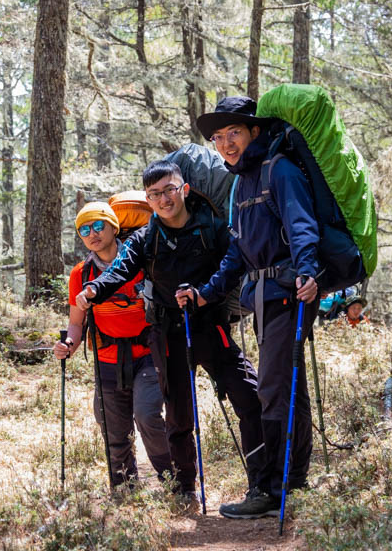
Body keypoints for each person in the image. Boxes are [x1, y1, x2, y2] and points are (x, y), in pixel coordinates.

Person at [75, 160, 267, 502]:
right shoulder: (145, 238)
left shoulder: (214, 229)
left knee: (249, 398)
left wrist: (204, 294)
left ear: (184, 190)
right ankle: (184, 489)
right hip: (168, 334)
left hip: (210, 327)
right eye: (155, 194)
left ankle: (262, 484)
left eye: (169, 190)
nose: (164, 199)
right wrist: (95, 289)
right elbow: (120, 269)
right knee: (178, 416)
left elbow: (232, 265)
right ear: (147, 200)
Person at [177, 96, 320, 519]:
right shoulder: (241, 184)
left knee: (274, 389)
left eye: (233, 133)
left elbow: (301, 225)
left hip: (290, 292)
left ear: (254, 131)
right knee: (286, 386)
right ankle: (292, 483)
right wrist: (207, 292)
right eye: (219, 138)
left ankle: (273, 490)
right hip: (262, 298)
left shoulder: (280, 172)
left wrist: (308, 272)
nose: (226, 144)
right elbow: (237, 252)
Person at [54, 202, 172, 488]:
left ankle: (172, 478)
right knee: (111, 425)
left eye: (98, 226)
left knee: (147, 416)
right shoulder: (81, 274)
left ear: (113, 227)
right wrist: (69, 343)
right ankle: (123, 487)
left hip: (148, 354)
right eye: (84, 229)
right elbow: (76, 322)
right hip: (107, 358)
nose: (92, 234)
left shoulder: (141, 261)